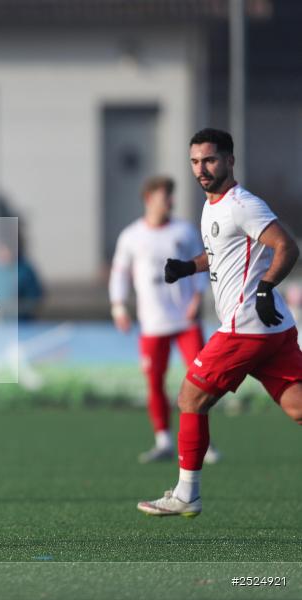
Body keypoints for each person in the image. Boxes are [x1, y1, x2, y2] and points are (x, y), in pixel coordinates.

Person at [138, 128, 302, 518]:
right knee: (297, 406)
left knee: (191, 398)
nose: (202, 169)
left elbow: (287, 246)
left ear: (230, 160)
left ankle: (186, 495)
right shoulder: (213, 205)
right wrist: (188, 266)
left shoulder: (242, 204)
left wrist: (264, 288)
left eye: (210, 160)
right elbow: (223, 252)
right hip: (271, 329)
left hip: (247, 324)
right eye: (195, 162)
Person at [109, 176, 220, 463]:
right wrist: (118, 307)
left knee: (200, 382)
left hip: (185, 321)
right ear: (149, 199)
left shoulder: (183, 230)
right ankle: (163, 441)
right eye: (164, 197)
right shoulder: (131, 236)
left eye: (171, 196)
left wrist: (197, 298)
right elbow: (120, 273)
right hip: (152, 323)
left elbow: (202, 264)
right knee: (154, 382)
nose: (170, 202)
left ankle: (202, 444)